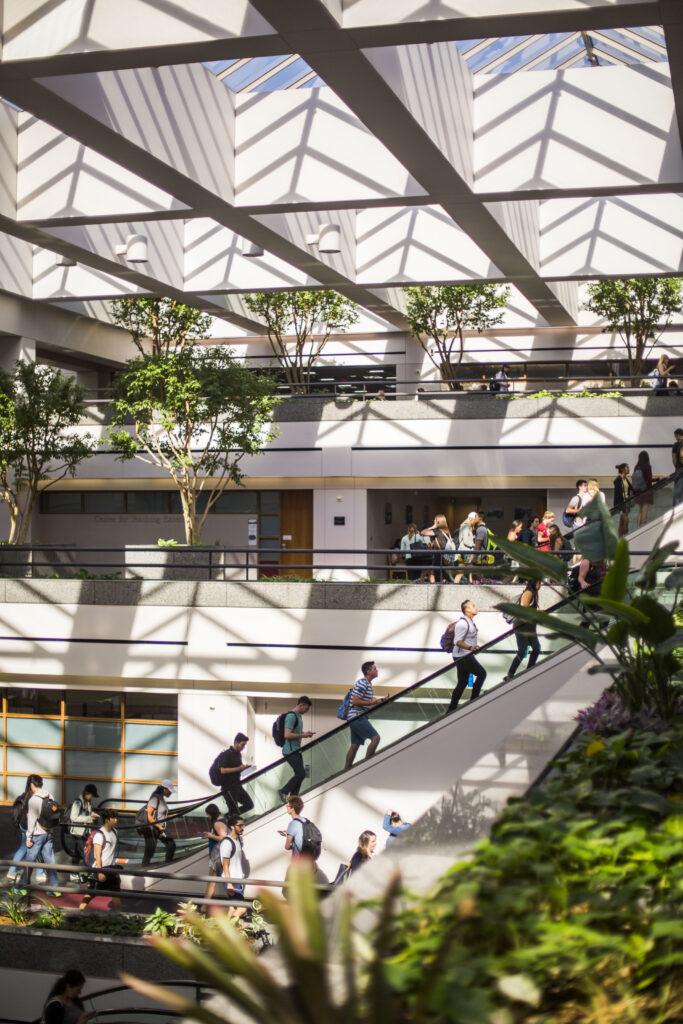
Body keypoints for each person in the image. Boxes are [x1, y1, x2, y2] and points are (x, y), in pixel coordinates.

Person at [24, 775, 62, 896]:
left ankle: (23, 886)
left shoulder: (33, 800)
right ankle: (55, 888)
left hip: (37, 834)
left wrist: (28, 838)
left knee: (29, 861)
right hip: (49, 832)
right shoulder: (49, 796)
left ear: (31, 784)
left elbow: (31, 821)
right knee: (50, 860)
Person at [8, 774, 45, 894]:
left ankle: (12, 871)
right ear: (33, 784)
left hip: (23, 825)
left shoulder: (24, 796)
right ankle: (40, 873)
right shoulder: (33, 797)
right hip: (30, 827)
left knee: (24, 848)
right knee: (36, 847)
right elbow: (31, 816)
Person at [344, 660, 385, 770]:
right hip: (357, 716)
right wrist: (372, 702)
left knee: (355, 745)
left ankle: (346, 770)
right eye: (374, 668)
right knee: (376, 738)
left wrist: (380, 700)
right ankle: (367, 766)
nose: (377, 670)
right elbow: (355, 701)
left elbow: (368, 699)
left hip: (354, 717)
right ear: (368, 672)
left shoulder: (367, 684)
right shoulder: (363, 683)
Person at [447, 600, 487, 713]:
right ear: (467, 609)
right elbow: (457, 641)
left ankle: (452, 708)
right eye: (473, 606)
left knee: (463, 682)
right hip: (462, 656)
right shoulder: (463, 623)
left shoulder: (469, 622)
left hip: (463, 655)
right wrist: (470, 648)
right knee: (482, 673)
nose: (475, 607)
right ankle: (474, 700)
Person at [78, 809, 121, 912]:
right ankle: (79, 912)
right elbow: (98, 855)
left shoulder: (115, 832)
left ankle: (118, 917)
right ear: (107, 820)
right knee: (91, 893)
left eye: (116, 818)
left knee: (116, 894)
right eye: (113, 818)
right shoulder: (99, 835)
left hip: (111, 868)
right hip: (99, 868)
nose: (116, 820)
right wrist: (100, 871)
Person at [502, 581, 542, 683]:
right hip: (522, 626)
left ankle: (529, 669)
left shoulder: (534, 593)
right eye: (538, 583)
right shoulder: (528, 592)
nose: (540, 585)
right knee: (522, 651)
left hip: (530, 626)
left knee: (536, 648)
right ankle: (510, 675)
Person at [278, 696, 315, 803]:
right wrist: (302, 736)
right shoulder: (291, 716)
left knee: (299, 774)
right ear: (301, 705)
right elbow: (287, 734)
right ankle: (284, 791)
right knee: (301, 774)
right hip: (290, 751)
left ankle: (293, 797)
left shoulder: (298, 717)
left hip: (296, 750)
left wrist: (305, 733)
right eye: (306, 708)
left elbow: (295, 732)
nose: (307, 711)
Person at [138, 780, 177, 866]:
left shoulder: (161, 798)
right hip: (152, 829)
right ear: (164, 789)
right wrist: (159, 827)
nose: (171, 793)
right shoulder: (155, 798)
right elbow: (149, 816)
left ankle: (168, 864)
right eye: (170, 790)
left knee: (171, 845)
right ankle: (145, 868)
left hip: (160, 828)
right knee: (150, 850)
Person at [216, 733, 255, 815]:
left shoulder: (238, 755)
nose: (243, 747)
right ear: (236, 742)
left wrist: (244, 769)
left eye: (244, 745)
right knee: (234, 811)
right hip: (228, 787)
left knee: (248, 805)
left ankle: (229, 818)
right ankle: (227, 819)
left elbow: (237, 770)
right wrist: (239, 768)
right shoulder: (227, 754)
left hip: (236, 785)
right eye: (242, 745)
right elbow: (222, 770)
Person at [218, 813, 248, 918]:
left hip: (238, 880)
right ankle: (227, 928)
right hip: (232, 881)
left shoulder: (237, 840)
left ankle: (230, 930)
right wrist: (229, 883)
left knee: (232, 908)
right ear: (232, 827)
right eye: (239, 826)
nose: (242, 828)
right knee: (242, 909)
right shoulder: (227, 843)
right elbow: (225, 865)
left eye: (243, 825)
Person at [66, 784, 100, 870]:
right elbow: (73, 817)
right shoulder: (78, 802)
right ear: (87, 793)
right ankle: (82, 871)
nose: (91, 797)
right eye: (91, 795)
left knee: (78, 852)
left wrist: (92, 814)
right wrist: (89, 818)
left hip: (83, 831)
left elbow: (88, 812)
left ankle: (75, 872)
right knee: (83, 852)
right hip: (78, 832)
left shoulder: (87, 802)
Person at [203, 803, 228, 902]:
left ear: (210, 814)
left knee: (211, 882)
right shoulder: (225, 820)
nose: (208, 817)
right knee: (216, 881)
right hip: (221, 854)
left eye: (208, 815)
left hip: (217, 855)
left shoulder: (218, 823)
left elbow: (223, 838)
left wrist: (211, 836)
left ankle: (204, 907)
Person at [421, 513, 454, 583]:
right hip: (446, 556)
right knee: (445, 575)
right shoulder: (447, 532)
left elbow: (423, 532)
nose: (433, 521)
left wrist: (433, 527)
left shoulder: (437, 531)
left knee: (438, 575)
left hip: (438, 556)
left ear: (438, 522)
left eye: (435, 520)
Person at [453, 511, 477, 584]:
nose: (475, 523)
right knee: (461, 572)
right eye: (474, 521)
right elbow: (466, 541)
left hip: (466, 552)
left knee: (468, 570)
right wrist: (474, 544)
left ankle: (470, 581)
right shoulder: (465, 526)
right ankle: (454, 586)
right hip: (464, 552)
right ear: (471, 519)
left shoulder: (466, 527)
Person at [632, 450, 654, 527]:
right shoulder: (648, 466)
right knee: (644, 511)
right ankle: (642, 530)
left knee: (640, 511)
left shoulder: (636, 467)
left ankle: (638, 529)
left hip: (638, 492)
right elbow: (649, 480)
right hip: (646, 491)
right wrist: (659, 479)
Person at [613, 463, 633, 536]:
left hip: (627, 503)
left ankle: (621, 539)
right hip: (622, 504)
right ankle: (626, 539)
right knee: (625, 522)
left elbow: (632, 489)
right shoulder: (618, 480)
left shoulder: (625, 479)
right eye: (627, 467)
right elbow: (618, 495)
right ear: (622, 469)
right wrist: (618, 506)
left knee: (622, 523)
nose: (628, 469)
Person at [672, 428, 683, 507]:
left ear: (678, 435)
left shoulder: (676, 445)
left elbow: (674, 459)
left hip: (679, 472)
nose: (675, 438)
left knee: (677, 493)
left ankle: (677, 512)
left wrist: (677, 468)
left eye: (675, 436)